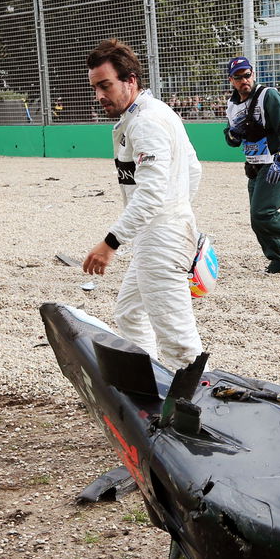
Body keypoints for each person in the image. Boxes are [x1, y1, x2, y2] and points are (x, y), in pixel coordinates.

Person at [82, 39, 204, 371]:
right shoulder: (153, 113)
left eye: (105, 86)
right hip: (161, 232)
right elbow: (193, 169)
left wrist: (110, 244)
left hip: (162, 238)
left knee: (179, 342)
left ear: (130, 80)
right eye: (95, 87)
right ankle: (151, 384)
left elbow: (150, 194)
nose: (99, 96)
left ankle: (204, 413)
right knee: (129, 314)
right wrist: (177, 211)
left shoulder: (146, 122)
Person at [223, 56, 280, 274]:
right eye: (238, 77)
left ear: (253, 74)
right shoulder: (232, 105)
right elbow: (229, 139)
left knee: (264, 213)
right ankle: (279, 262)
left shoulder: (268, 95)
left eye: (247, 75)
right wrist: (233, 135)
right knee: (257, 220)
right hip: (254, 167)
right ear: (231, 80)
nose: (244, 80)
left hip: (275, 163)